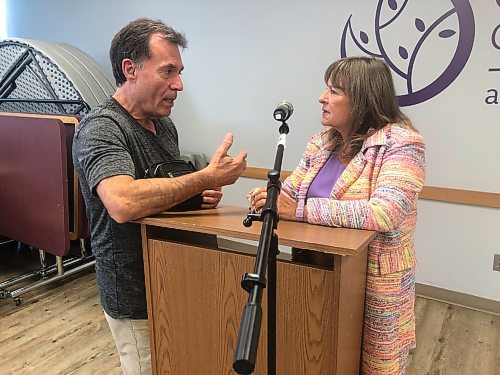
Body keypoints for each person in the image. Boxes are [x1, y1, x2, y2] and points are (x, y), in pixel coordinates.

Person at [72, 18, 247, 374]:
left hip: (176, 278)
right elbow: (122, 202)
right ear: (130, 69)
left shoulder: (164, 124)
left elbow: (159, 188)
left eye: (180, 72)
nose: (179, 85)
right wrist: (204, 178)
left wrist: (198, 194)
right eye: (168, 71)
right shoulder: (102, 128)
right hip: (134, 292)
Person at [249, 56, 425, 375]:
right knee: (316, 356)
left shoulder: (401, 143)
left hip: (372, 281)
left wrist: (299, 209)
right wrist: (269, 198)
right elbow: (290, 194)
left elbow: (386, 213)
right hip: (314, 274)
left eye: (334, 90)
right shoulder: (321, 143)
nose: (321, 97)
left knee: (371, 367)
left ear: (362, 100)